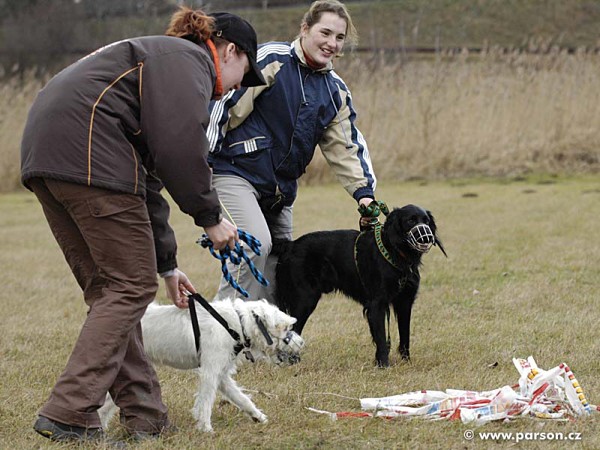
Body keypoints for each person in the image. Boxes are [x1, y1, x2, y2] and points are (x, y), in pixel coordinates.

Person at [20, 6, 265, 443]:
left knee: (111, 291)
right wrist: (211, 218)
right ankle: (70, 409)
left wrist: (169, 267)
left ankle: (146, 415)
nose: (232, 91)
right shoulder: (187, 63)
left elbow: (148, 178)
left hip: (50, 160)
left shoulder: (156, 61)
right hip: (90, 158)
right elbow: (177, 150)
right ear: (229, 51)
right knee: (130, 287)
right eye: (243, 76)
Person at [207, 0, 376, 302]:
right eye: (325, 32)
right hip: (236, 170)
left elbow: (346, 147)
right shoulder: (272, 59)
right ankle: (222, 332)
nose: (331, 43)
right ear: (305, 28)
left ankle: (267, 343)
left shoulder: (335, 91)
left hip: (281, 190)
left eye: (339, 38)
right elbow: (225, 106)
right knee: (256, 243)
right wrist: (201, 160)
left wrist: (364, 193)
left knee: (281, 265)